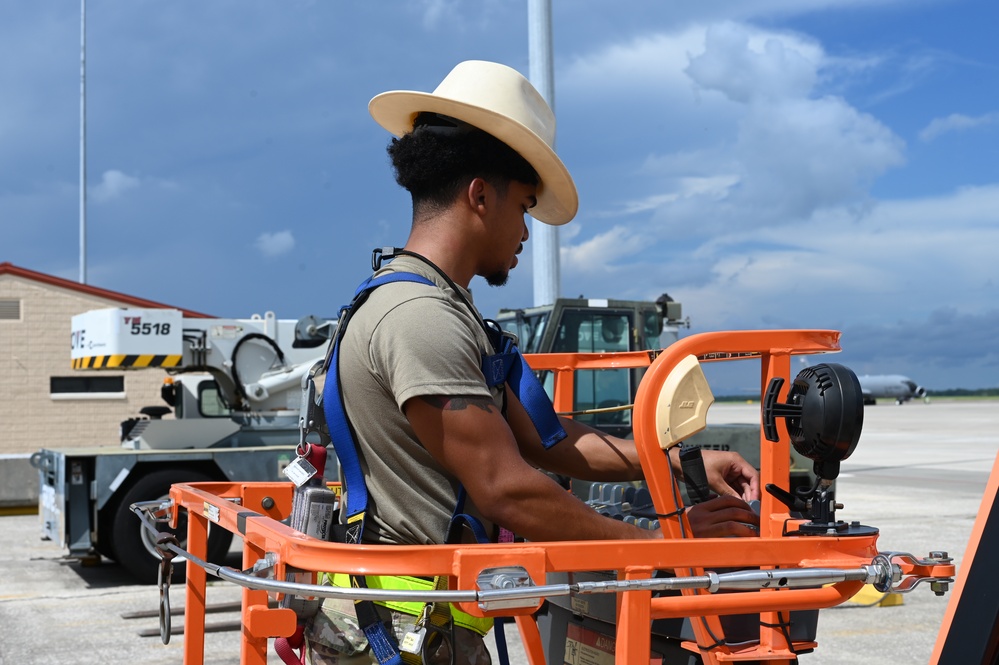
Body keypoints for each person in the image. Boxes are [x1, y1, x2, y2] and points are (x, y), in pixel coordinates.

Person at [311, 60, 760, 665]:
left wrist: (684, 462)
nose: (526, 231)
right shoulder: (419, 317)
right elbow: (507, 488)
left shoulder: (445, 309)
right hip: (399, 635)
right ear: (479, 195)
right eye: (523, 206)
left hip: (426, 625)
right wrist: (661, 545)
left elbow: (548, 443)